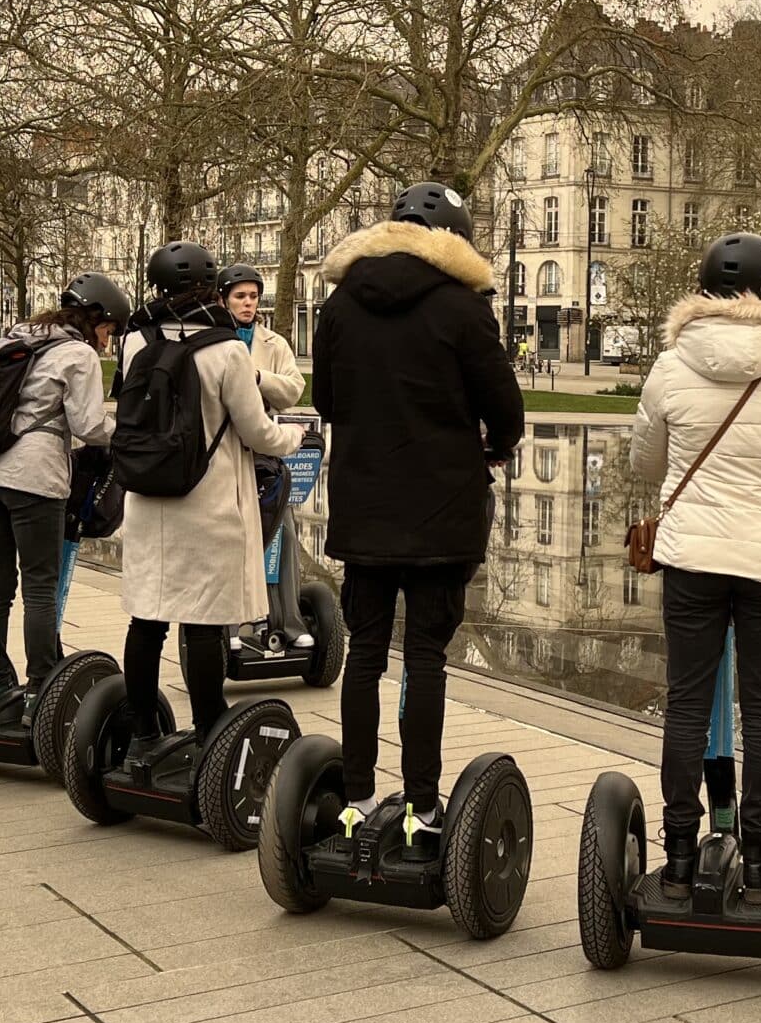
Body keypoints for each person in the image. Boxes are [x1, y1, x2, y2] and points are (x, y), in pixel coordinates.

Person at [312, 184, 525, 842]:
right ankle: (422, 809)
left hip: (365, 505)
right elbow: (505, 410)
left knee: (365, 652)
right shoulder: (463, 308)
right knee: (426, 657)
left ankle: (355, 798)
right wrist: (494, 444)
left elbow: (327, 400)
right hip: (441, 508)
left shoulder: (341, 303)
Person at [630, 234, 761, 900]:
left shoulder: (670, 366)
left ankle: (679, 855)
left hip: (693, 557)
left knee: (686, 704)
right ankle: (759, 862)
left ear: (703, 291)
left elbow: (645, 464)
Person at [114, 243, 302, 762]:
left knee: (146, 620)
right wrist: (292, 439)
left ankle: (142, 732)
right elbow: (257, 431)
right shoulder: (226, 349)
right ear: (209, 289)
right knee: (202, 624)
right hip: (207, 499)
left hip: (148, 497)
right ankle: (208, 729)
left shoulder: (134, 339)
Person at [0, 272, 130, 724]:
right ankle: (41, 689)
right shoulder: (78, 354)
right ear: (96, 319)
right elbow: (89, 426)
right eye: (109, 330)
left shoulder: (19, 337)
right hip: (34, 480)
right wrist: (127, 434)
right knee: (39, 585)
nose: (108, 340)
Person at [220, 264, 303, 411]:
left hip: (266, 424)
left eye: (253, 296)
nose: (248, 302)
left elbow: (294, 390)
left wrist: (259, 378)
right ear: (224, 301)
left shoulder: (276, 343)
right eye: (240, 296)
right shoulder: (212, 341)